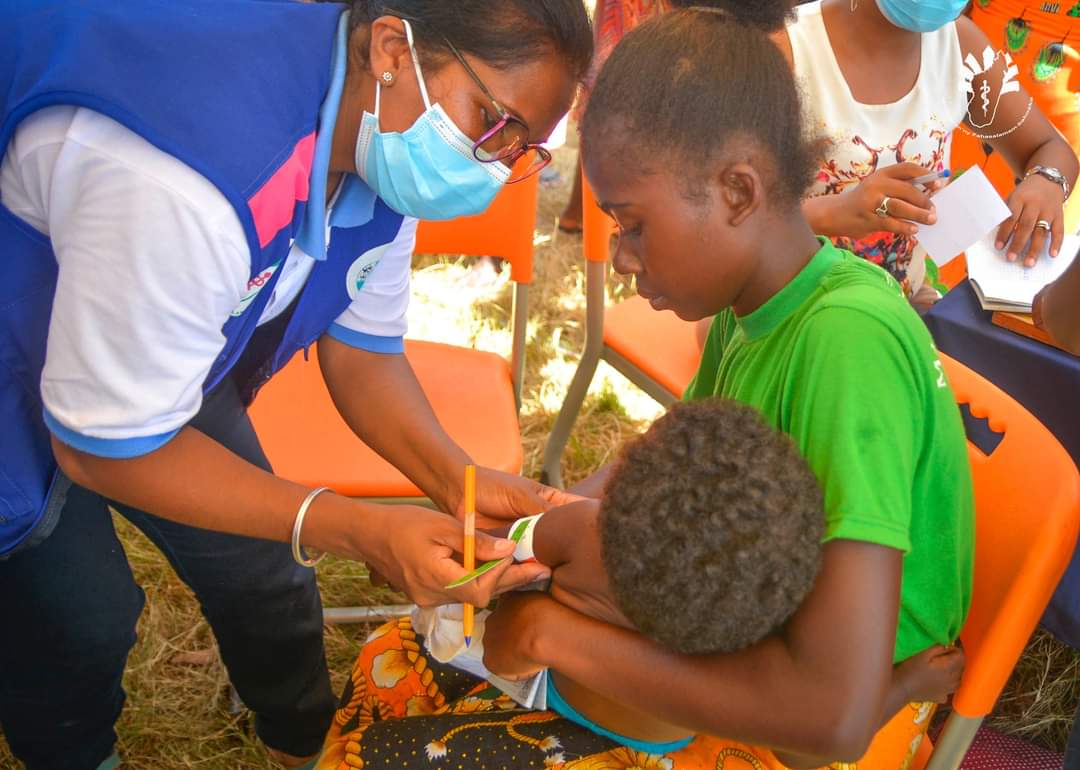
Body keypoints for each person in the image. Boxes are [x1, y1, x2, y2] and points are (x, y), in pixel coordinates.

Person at [0, 1, 591, 768]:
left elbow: (363, 352)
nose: (493, 163)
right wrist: (355, 526)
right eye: (493, 121)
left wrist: (459, 480)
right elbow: (105, 449)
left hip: (154, 334)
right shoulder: (189, 172)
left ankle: (307, 744)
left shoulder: (383, 130)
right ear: (390, 48)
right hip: (16, 351)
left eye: (520, 147)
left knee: (263, 574)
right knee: (81, 619)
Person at [481, 6, 977, 769]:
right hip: (761, 609)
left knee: (534, 627)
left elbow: (836, 721)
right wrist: (540, 524)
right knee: (564, 558)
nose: (620, 258)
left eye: (633, 224)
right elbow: (659, 456)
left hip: (822, 703)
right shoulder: (751, 306)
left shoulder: (846, 344)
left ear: (739, 192)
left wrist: (550, 633)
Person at [315, 399, 964, 770]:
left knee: (385, 682)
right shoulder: (760, 626)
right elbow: (805, 756)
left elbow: (499, 608)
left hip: (546, 703)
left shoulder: (578, 532)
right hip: (663, 747)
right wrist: (908, 685)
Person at [780, 0, 1077, 306]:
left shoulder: (960, 47)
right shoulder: (785, 49)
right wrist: (831, 213)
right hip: (795, 317)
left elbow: (1049, 148)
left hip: (901, 311)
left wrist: (1046, 181)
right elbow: (732, 220)